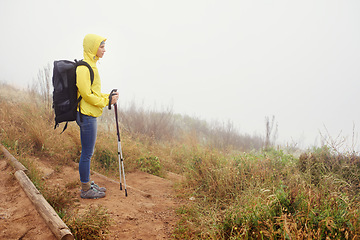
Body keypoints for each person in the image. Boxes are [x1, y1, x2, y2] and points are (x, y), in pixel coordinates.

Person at [76, 33, 119, 199]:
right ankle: (85, 189)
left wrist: (108, 96)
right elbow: (86, 95)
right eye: (101, 46)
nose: (104, 50)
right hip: (86, 115)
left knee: (88, 152)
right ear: (92, 47)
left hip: (89, 114)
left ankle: (87, 183)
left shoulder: (91, 65)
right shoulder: (83, 68)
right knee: (87, 153)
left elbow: (93, 92)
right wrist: (106, 101)